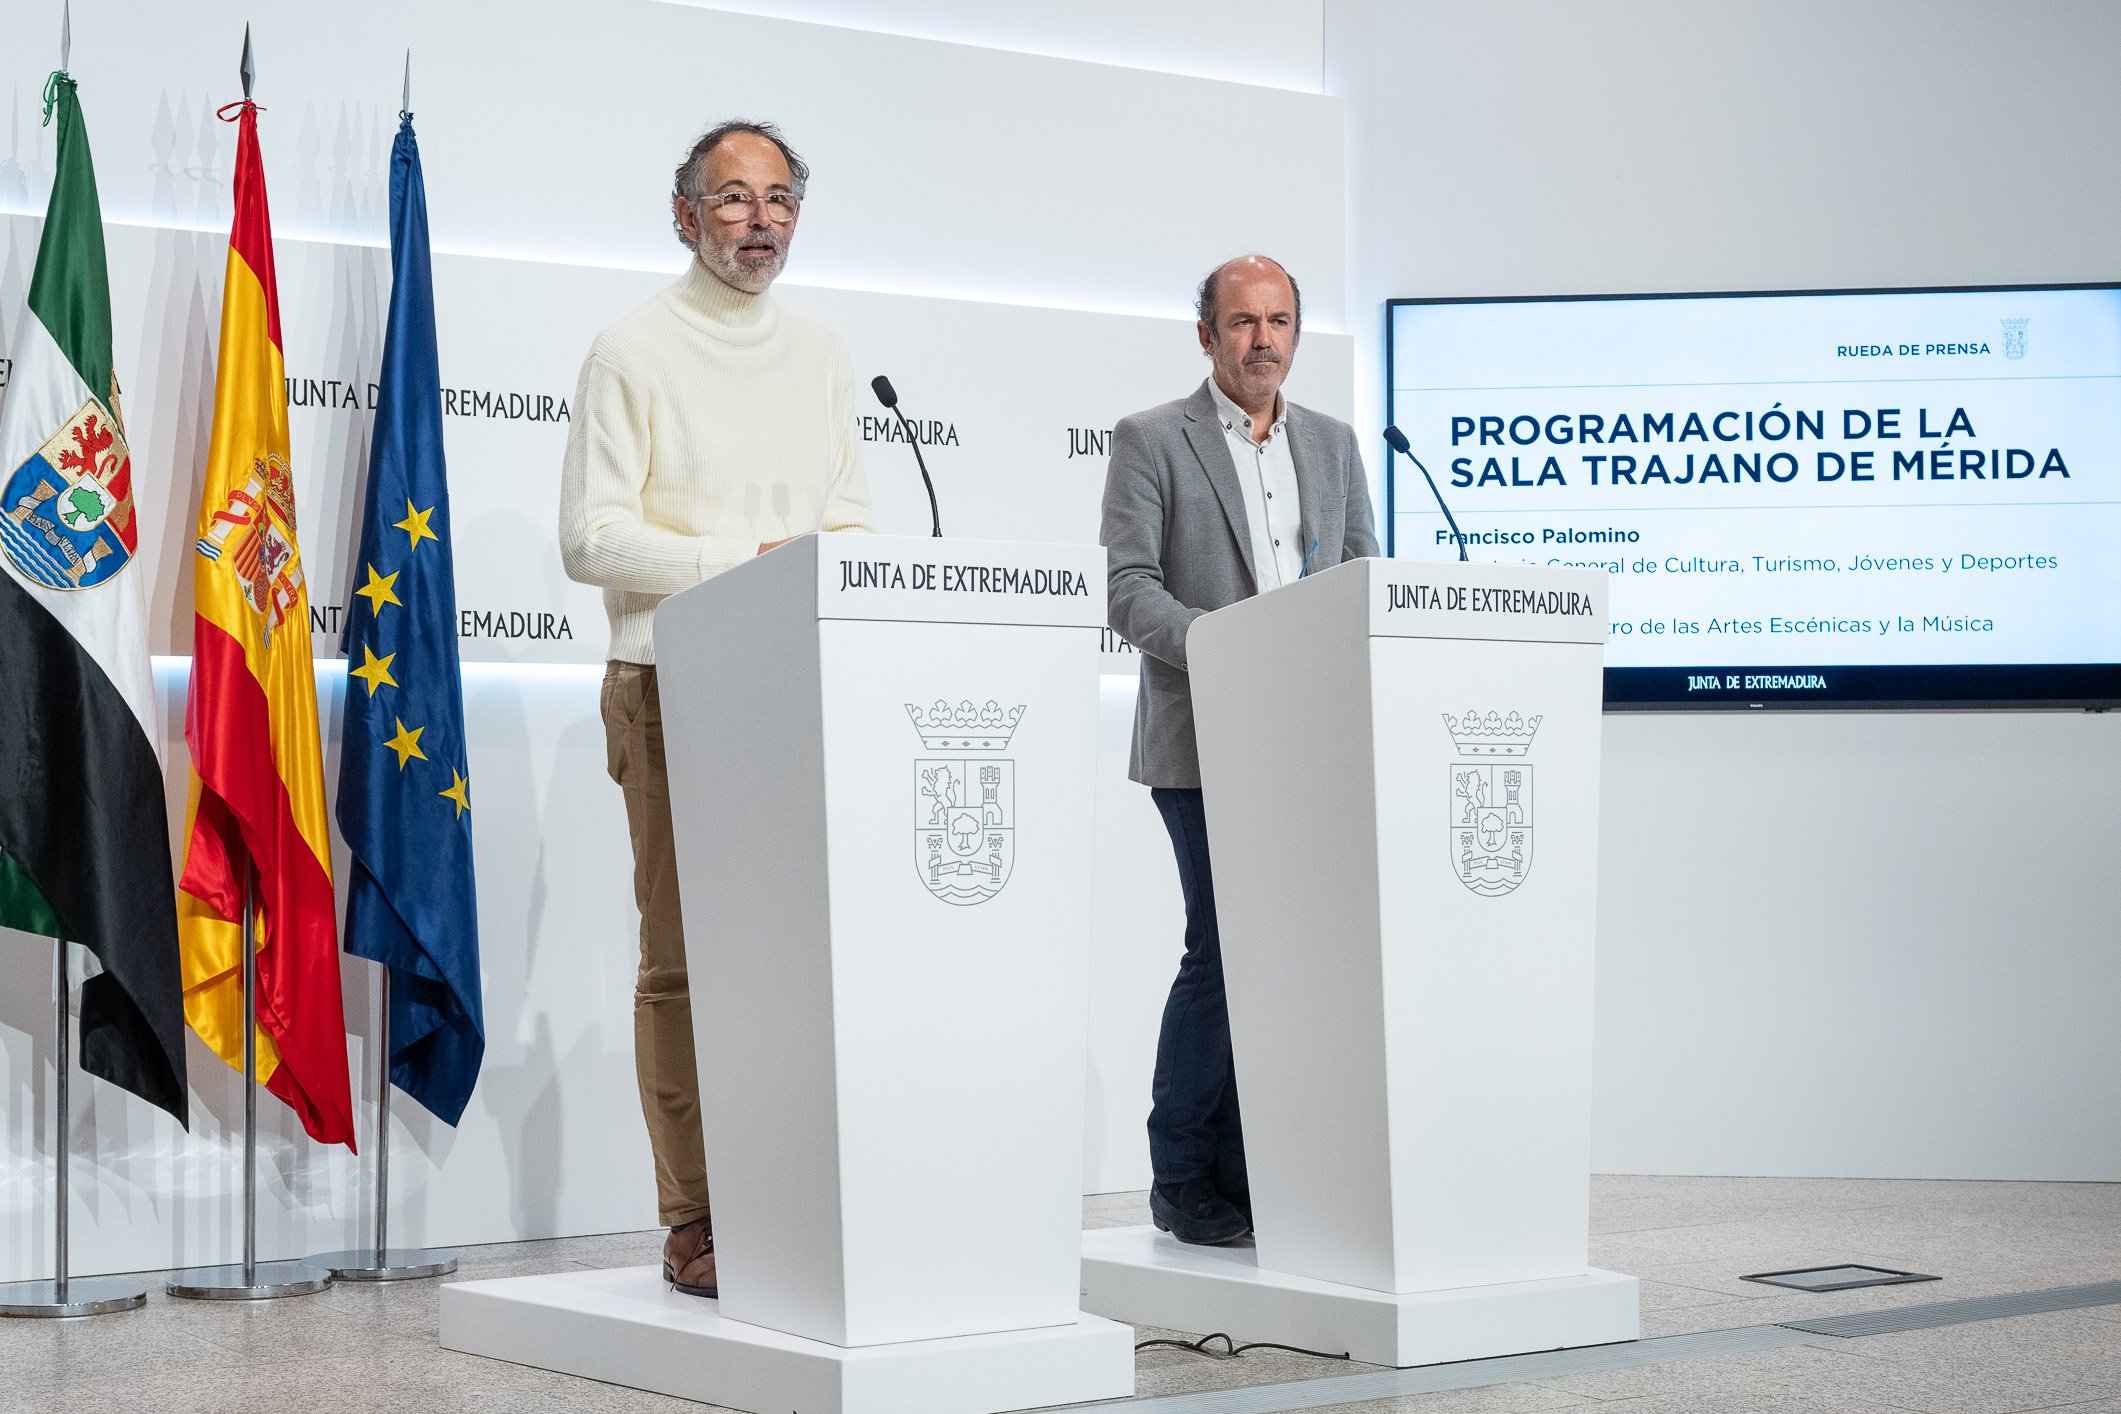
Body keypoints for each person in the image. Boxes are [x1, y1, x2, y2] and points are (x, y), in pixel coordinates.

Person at [558, 119, 872, 1298]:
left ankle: (789, 1197)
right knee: (684, 966)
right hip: (668, 681)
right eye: (733, 199)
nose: (761, 220)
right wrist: (754, 559)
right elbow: (592, 536)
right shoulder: (631, 350)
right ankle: (694, 1217)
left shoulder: (825, 352)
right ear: (684, 215)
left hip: (800, 683)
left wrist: (807, 573)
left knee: (797, 962)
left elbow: (848, 525)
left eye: (780, 199)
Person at [1100, 255, 1379, 1245]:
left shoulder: (1337, 446)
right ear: (1207, 335)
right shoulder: (1150, 440)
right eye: (1243, 321)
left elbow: (1360, 581)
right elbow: (1129, 589)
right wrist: (1228, 654)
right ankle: (1179, 1173)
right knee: (1221, 950)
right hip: (1201, 736)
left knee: (1280, 961)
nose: (1264, 339)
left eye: (1280, 320)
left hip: (1308, 743)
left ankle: (1242, 1167)